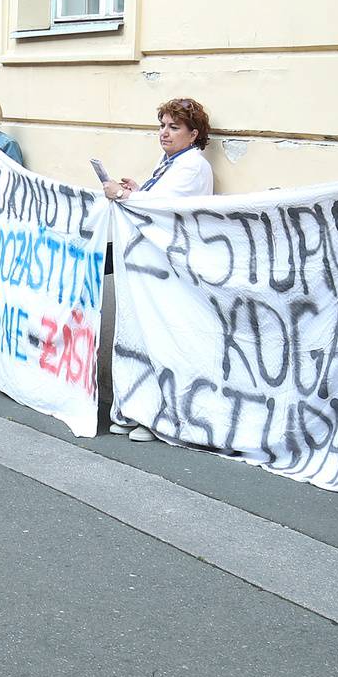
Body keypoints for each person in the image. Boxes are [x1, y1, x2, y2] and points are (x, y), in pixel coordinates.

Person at [102, 98, 217, 441]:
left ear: (193, 134)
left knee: (163, 342)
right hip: (149, 264)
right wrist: (138, 191)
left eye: (174, 127)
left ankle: (159, 417)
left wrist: (122, 195)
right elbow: (156, 199)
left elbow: (164, 208)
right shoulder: (169, 163)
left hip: (171, 269)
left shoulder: (192, 166)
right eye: (163, 126)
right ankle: (135, 407)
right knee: (138, 339)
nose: (164, 133)